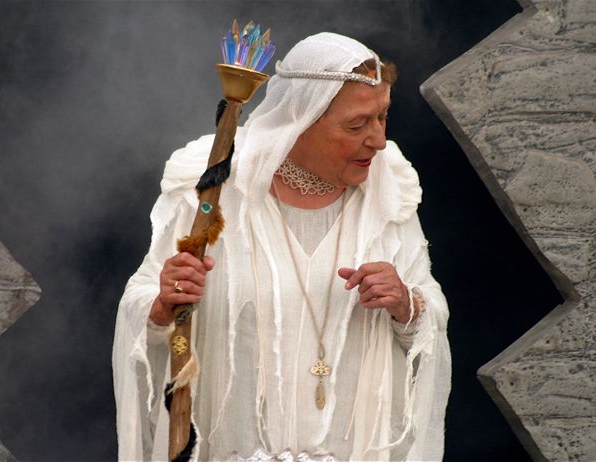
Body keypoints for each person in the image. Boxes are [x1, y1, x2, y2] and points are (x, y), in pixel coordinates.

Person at [113, 32, 451, 461]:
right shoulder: (212, 193)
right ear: (299, 120)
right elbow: (141, 305)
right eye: (356, 125)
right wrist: (164, 304)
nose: (378, 140)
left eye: (383, 117)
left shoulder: (389, 195)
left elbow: (431, 316)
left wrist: (406, 303)